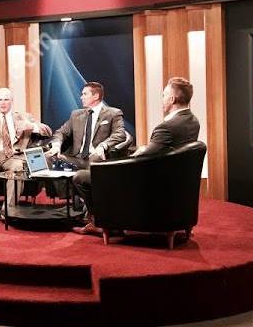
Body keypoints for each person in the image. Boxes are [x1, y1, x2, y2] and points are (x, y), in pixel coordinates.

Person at [72, 77, 200, 236]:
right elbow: (161, 150)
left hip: (149, 183)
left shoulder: (166, 127)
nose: (162, 99)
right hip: (173, 181)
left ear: (172, 99)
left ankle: (99, 221)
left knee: (81, 177)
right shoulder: (192, 121)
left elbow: (144, 158)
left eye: (164, 95)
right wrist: (145, 149)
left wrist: (133, 156)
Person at [0, 88, 52, 216]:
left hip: (15, 157)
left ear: (12, 101)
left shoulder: (24, 117)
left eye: (6, 99)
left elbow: (48, 131)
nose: (3, 103)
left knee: (17, 167)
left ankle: (7, 209)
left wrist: (31, 126)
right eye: (0, 99)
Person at [45, 82, 126, 198]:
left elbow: (120, 134)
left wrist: (103, 146)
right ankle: (70, 198)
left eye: (85, 94)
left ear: (96, 96)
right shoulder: (76, 115)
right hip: (77, 158)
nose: (81, 97)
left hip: (97, 157)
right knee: (49, 157)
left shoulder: (113, 113)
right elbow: (61, 132)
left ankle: (90, 202)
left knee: (95, 158)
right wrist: (56, 145)